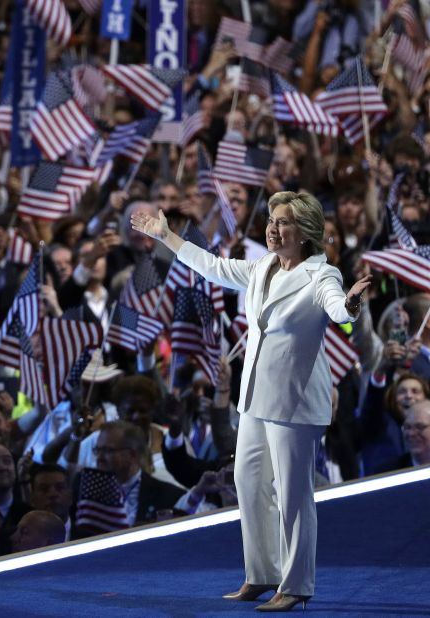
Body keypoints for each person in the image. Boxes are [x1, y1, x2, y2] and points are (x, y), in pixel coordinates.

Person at [131, 191, 371, 611]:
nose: (273, 229)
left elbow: (338, 309)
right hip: (255, 397)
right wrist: (167, 236)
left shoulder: (322, 275)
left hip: (294, 403)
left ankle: (296, 584)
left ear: (306, 232)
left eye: (283, 222)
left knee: (294, 495)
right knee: (247, 480)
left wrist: (350, 304)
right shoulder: (262, 267)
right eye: (272, 220)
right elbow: (214, 266)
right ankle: (262, 574)